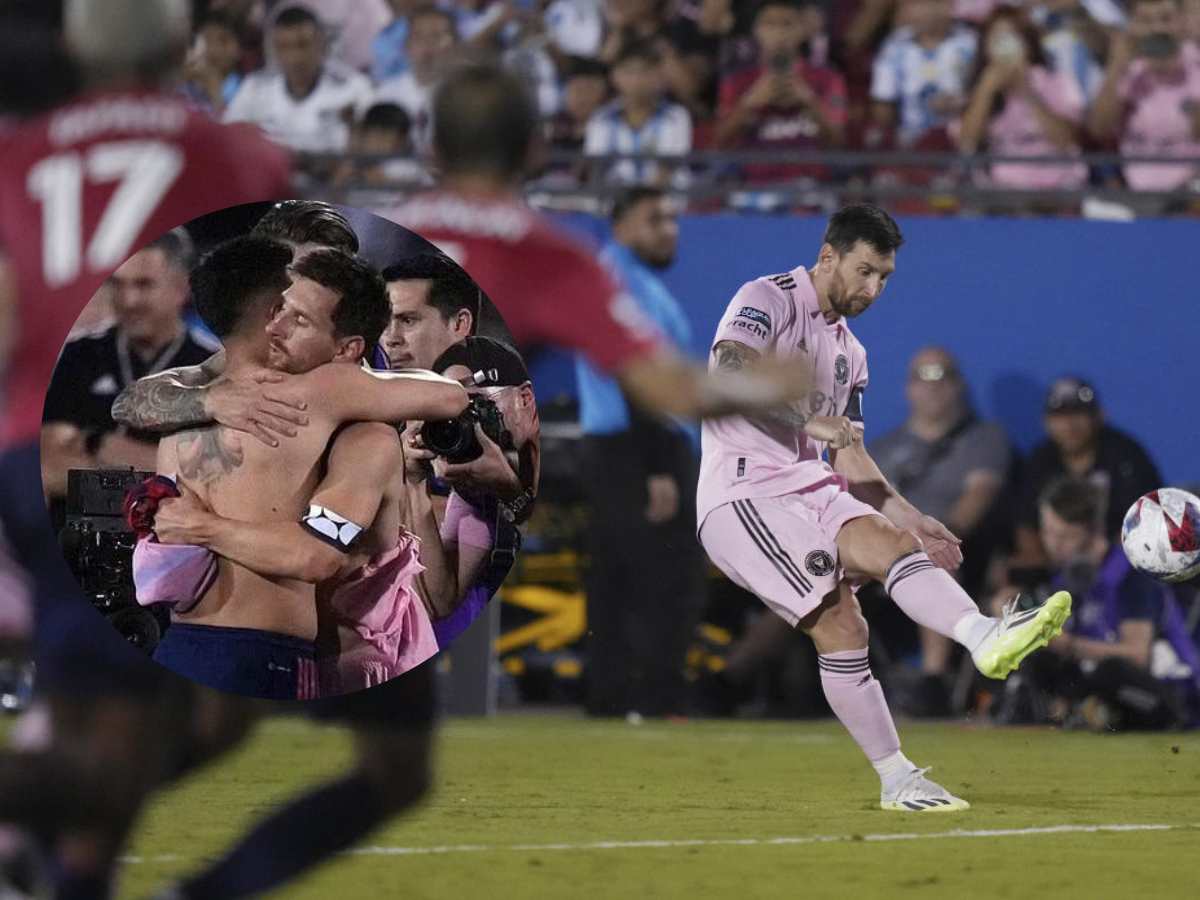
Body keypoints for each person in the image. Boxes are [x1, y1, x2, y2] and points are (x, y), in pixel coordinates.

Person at [0, 1, 292, 896]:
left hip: (62, 483)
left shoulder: (23, 156)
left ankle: (55, 872)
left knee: (168, 719)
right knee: (140, 730)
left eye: (141, 279)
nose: (126, 292)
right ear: (179, 44)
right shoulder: (235, 152)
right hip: (115, 518)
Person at [698, 203, 1071, 812]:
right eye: (865, 271)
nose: (873, 289)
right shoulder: (767, 297)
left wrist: (910, 514)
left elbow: (849, 456)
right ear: (828, 256)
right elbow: (729, 372)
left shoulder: (852, 353)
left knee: (892, 554)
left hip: (808, 485)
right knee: (839, 623)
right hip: (742, 493)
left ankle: (981, 639)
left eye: (885, 278)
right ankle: (898, 776)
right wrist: (812, 420)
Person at [380, 61, 815, 424]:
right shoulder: (545, 255)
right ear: (535, 149)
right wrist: (774, 382)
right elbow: (675, 391)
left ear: (433, 148)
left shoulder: (378, 232)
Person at [141, 243, 466, 699]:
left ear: (347, 349)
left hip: (184, 646)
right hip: (267, 651)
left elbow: (132, 401)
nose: (277, 327)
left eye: (300, 319)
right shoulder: (322, 390)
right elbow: (450, 395)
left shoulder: (186, 395)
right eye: (278, 309)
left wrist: (201, 526)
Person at [575, 186, 705, 718]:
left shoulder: (630, 281)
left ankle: (612, 697)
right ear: (620, 224)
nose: (669, 230)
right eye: (655, 220)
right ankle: (653, 699)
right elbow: (633, 373)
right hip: (640, 447)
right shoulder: (621, 281)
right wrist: (658, 463)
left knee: (618, 577)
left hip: (625, 446)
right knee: (661, 579)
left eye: (673, 219)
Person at [870, 347, 1014, 714]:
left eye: (942, 376)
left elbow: (977, 497)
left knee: (934, 556)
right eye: (922, 376)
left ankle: (933, 684)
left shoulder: (985, 440)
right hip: (877, 553)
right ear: (908, 388)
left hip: (947, 549)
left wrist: (930, 537)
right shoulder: (881, 449)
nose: (932, 387)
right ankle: (734, 677)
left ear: (959, 385)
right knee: (812, 567)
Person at [1006, 476, 1200, 730]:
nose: (1053, 544)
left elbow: (1136, 655)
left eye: (1065, 536)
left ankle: (1089, 712)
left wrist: (1067, 644)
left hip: (1170, 694)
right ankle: (1071, 712)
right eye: (1048, 532)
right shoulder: (1065, 579)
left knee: (1110, 671)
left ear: (1094, 531)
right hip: (1107, 686)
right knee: (1037, 659)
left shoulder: (1131, 575)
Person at [40, 230, 218, 502]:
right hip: (79, 532)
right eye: (118, 284)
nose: (128, 300)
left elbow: (208, 477)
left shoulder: (210, 364)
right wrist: (158, 475)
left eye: (143, 285)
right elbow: (50, 464)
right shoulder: (80, 353)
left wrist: (97, 444)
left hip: (172, 535)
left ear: (181, 287)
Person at [1011, 376, 1162, 575]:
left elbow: (1147, 520)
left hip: (1120, 564)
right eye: (1060, 416)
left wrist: (1110, 563)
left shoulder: (1125, 455)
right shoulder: (1040, 461)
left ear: (1099, 416)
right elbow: (1026, 526)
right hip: (1056, 568)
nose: (1070, 425)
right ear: (1046, 422)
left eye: (1079, 414)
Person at [956, 5, 1088, 194]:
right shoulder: (980, 86)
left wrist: (1026, 92)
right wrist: (986, 90)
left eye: (1011, 37)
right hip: (999, 194)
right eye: (997, 39)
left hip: (1057, 189)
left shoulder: (1057, 81)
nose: (1005, 47)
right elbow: (967, 143)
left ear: (1028, 42)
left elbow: (1066, 141)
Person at [714, 0, 847, 186]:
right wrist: (750, 102)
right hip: (752, 187)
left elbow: (838, 142)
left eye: (787, 24)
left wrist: (809, 100)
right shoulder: (737, 81)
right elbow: (720, 141)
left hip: (811, 186)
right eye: (769, 24)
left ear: (801, 30)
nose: (779, 33)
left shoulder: (827, 78)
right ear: (756, 31)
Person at [223, 5, 374, 155]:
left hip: (331, 176)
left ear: (321, 44)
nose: (294, 58)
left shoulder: (354, 88)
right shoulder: (254, 88)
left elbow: (374, 146)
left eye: (302, 45)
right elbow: (227, 140)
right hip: (268, 176)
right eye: (284, 47)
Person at [1088, 0, 1200, 195]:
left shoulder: (1195, 66)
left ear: (1182, 22)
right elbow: (1100, 130)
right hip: (1135, 193)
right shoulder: (1126, 70)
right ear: (1132, 27)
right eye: (1145, 21)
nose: (1157, 28)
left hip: (1191, 193)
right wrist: (1116, 68)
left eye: (1166, 19)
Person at [584, 40, 693, 187]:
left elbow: (667, 170)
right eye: (629, 71)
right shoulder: (600, 118)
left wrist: (643, 206)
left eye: (645, 71)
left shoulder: (677, 116)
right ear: (615, 76)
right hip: (614, 203)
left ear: (658, 76)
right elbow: (596, 170)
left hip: (664, 204)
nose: (637, 79)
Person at [869, 0, 977, 149]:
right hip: (909, 145)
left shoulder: (970, 42)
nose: (924, 12)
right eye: (916, 5)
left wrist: (962, 104)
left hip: (959, 140)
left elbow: (984, 93)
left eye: (931, 4)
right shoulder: (894, 46)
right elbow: (883, 104)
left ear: (948, 6)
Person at [373, 5, 461, 156]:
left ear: (455, 46)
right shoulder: (384, 95)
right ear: (406, 46)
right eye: (419, 37)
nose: (427, 46)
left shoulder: (465, 96)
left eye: (437, 37)